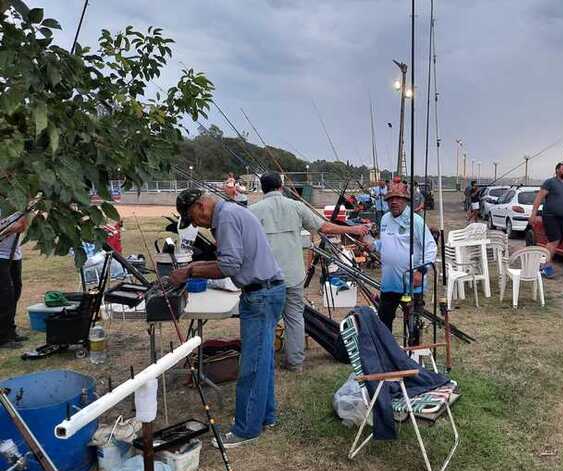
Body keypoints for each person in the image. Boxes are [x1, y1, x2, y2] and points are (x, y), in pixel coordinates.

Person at [171, 189, 285, 448]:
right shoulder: (233, 211)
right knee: (263, 360)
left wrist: (190, 271)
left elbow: (229, 265)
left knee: (251, 366)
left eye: (193, 218)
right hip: (269, 290)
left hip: (261, 295)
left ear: (201, 206)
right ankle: (265, 416)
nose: (196, 224)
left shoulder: (225, 218)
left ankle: (247, 429)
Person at [249, 173, 369, 372]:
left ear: (263, 188)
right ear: (281, 186)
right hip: (294, 275)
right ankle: (295, 363)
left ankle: (264, 364)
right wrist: (354, 229)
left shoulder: (252, 211)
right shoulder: (296, 207)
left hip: (267, 277)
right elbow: (325, 227)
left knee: (266, 320)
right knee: (295, 317)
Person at [367, 183, 437, 345]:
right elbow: (386, 243)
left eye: (398, 198)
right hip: (388, 283)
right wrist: (373, 245)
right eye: (391, 199)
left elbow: (430, 247)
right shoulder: (384, 218)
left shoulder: (416, 221)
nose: (394, 202)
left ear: (405, 201)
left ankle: (413, 356)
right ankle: (388, 354)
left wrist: (421, 271)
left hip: (411, 284)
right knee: (384, 322)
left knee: (412, 326)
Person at [529, 162, 563, 278]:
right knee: (554, 240)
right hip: (550, 216)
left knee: (557, 241)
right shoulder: (550, 183)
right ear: (557, 170)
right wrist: (533, 214)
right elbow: (539, 198)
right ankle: (545, 266)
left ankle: (541, 262)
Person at [0, 211, 29, 348]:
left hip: (14, 255)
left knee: (15, 293)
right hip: (1, 256)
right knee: (5, 296)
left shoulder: (18, 204)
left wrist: (5, 231)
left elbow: (22, 226)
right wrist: (10, 228)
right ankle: (3, 337)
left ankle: (10, 331)